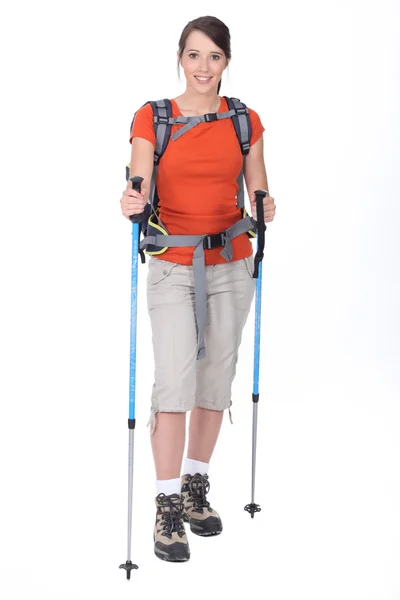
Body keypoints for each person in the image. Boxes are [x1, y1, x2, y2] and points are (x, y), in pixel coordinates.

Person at [120, 15, 276, 563]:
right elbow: (138, 178)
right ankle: (165, 506)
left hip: (232, 263)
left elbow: (257, 184)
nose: (203, 67)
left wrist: (265, 204)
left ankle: (195, 485)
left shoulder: (244, 120)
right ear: (180, 59)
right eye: (194, 55)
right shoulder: (153, 117)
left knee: (216, 377)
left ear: (227, 61)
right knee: (176, 377)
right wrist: (132, 201)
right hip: (172, 264)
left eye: (214, 56)